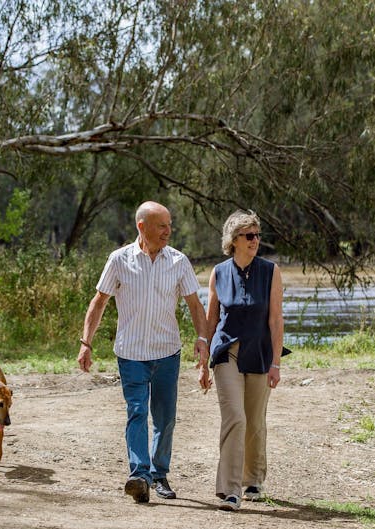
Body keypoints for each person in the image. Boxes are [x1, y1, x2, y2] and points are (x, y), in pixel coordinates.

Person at [77, 201, 210, 504]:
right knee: (136, 411)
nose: (168, 231)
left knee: (164, 418)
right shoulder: (119, 260)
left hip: (167, 352)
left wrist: (202, 339)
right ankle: (140, 474)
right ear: (142, 226)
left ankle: (159, 474)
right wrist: (86, 342)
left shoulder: (178, 261)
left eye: (169, 225)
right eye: (162, 225)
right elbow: (99, 302)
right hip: (131, 352)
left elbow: (194, 305)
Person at [199, 209, 287, 512]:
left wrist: (276, 362)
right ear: (233, 240)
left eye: (257, 235)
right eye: (249, 235)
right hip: (227, 353)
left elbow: (276, 320)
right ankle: (230, 489)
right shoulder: (219, 272)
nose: (255, 240)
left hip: (261, 352)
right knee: (235, 417)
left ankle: (253, 479)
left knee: (254, 421)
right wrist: (203, 361)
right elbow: (211, 320)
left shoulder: (270, 271)